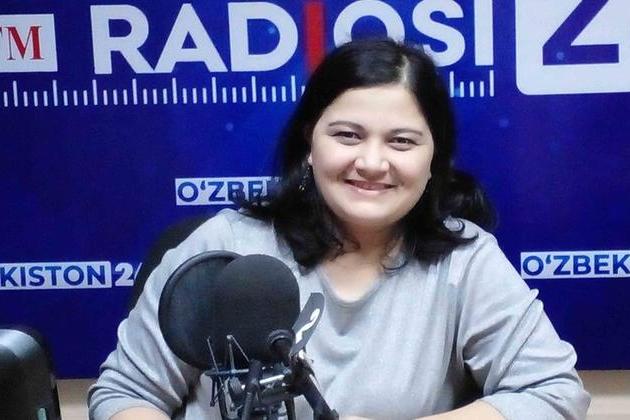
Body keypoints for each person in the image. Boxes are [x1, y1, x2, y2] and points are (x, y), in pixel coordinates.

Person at [88, 38, 590, 420]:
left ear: (434, 157)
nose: (371, 162)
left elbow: (553, 393)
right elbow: (123, 394)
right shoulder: (227, 244)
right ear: (311, 141)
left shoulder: (465, 260)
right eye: (348, 135)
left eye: (402, 141)